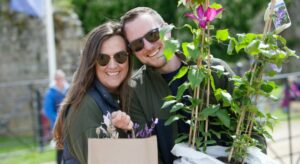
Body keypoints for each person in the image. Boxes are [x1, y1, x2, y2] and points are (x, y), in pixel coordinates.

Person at [121, 7, 265, 164]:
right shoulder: (134, 92)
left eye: (153, 35)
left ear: (168, 30)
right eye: (137, 44)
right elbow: (149, 156)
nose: (148, 46)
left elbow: (252, 132)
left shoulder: (215, 71)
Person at [53, 21, 133, 164]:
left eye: (120, 56)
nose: (113, 65)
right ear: (91, 62)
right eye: (103, 58)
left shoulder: (120, 97)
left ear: (129, 58)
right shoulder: (85, 106)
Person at [43, 69, 69, 164]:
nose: (61, 80)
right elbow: (48, 110)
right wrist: (58, 119)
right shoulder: (50, 93)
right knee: (60, 148)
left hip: (70, 122)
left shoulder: (70, 89)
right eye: (58, 78)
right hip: (57, 125)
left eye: (62, 78)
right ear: (55, 79)